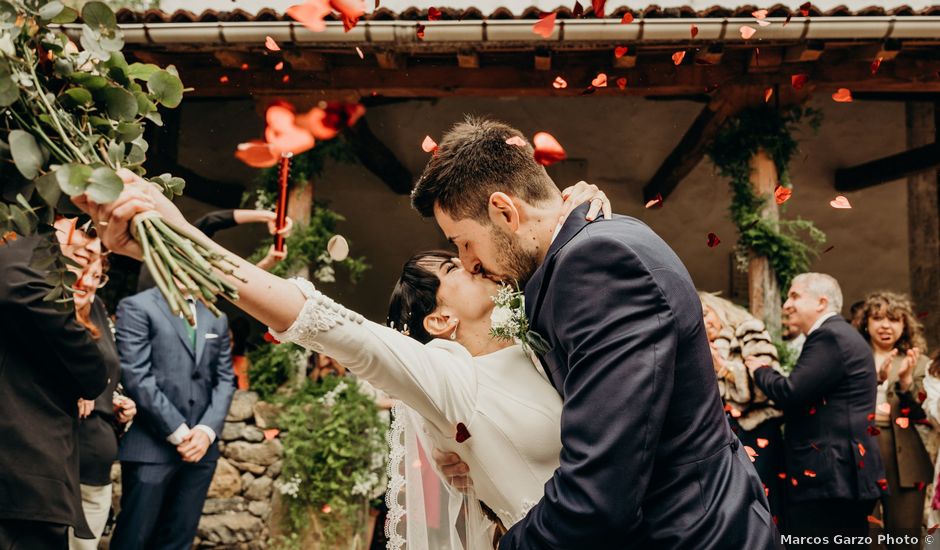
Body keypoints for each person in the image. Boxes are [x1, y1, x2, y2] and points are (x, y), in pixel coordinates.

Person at [73, 171, 614, 548]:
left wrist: (568, 209)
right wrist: (183, 238)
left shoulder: (534, 339)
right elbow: (335, 327)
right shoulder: (450, 372)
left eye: (464, 255)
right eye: (459, 267)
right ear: (440, 322)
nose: (476, 263)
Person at [748, 273, 886, 548]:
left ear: (822, 302)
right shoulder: (841, 334)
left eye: (795, 296)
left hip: (829, 475)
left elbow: (791, 392)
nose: (787, 304)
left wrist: (759, 369)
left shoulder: (830, 336)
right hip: (844, 473)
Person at [0, 218, 109, 549]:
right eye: (87, 231)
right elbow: (92, 374)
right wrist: (47, 237)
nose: (94, 248)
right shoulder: (22, 267)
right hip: (20, 488)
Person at [108, 281, 236, 548]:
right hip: (150, 448)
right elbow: (136, 376)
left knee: (179, 539)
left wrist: (206, 431)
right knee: (134, 538)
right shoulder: (137, 306)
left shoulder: (216, 316)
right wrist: (178, 431)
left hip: (201, 452)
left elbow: (225, 379)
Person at [66, 239, 138, 550]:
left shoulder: (98, 310)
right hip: (60, 468)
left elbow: (111, 371)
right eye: (82, 270)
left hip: (98, 469)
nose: (87, 282)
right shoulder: (47, 310)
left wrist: (118, 401)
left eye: (96, 276)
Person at [699, 292, 786, 519]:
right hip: (723, 434)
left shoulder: (748, 329)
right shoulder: (700, 346)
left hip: (756, 429)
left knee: (760, 500)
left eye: (707, 312)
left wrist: (724, 369)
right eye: (699, 316)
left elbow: (763, 386)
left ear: (720, 307)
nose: (705, 321)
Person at [857, 291, 932, 549]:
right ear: (866, 323)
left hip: (906, 459)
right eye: (878, 318)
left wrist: (906, 382)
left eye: (894, 319)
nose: (886, 325)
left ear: (905, 325)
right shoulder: (853, 356)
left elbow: (927, 413)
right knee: (865, 535)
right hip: (859, 453)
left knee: (905, 534)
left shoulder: (920, 362)